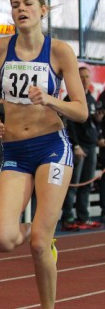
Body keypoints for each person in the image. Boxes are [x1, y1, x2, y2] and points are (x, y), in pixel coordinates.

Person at [0, 0, 88, 309]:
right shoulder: (0, 49)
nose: (20, 9)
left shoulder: (60, 52)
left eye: (27, 3)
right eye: (15, 5)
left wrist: (52, 100)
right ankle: (39, 228)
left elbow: (81, 111)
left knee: (40, 245)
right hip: (14, 151)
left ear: (43, 10)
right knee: (1, 239)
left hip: (51, 149)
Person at [60, 67, 104, 231]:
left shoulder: (90, 99)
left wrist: (97, 120)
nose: (85, 80)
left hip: (91, 146)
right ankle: (68, 218)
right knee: (73, 184)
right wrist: (75, 146)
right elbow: (68, 125)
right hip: (77, 148)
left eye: (87, 77)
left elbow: (89, 123)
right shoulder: (70, 98)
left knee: (86, 184)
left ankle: (83, 217)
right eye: (82, 77)